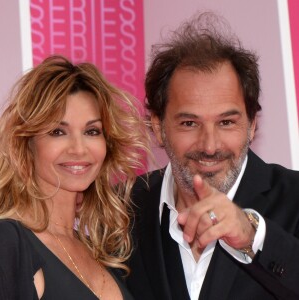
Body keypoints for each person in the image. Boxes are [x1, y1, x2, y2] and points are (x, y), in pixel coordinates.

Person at [126, 12, 299, 300]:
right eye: (189, 123)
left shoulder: (294, 197)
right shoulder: (122, 209)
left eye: (226, 122)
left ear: (252, 124)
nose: (209, 145)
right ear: (157, 126)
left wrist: (253, 236)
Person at [0, 55, 151, 299]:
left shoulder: (101, 252)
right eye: (58, 132)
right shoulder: (9, 243)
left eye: (92, 131)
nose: (79, 149)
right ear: (27, 144)